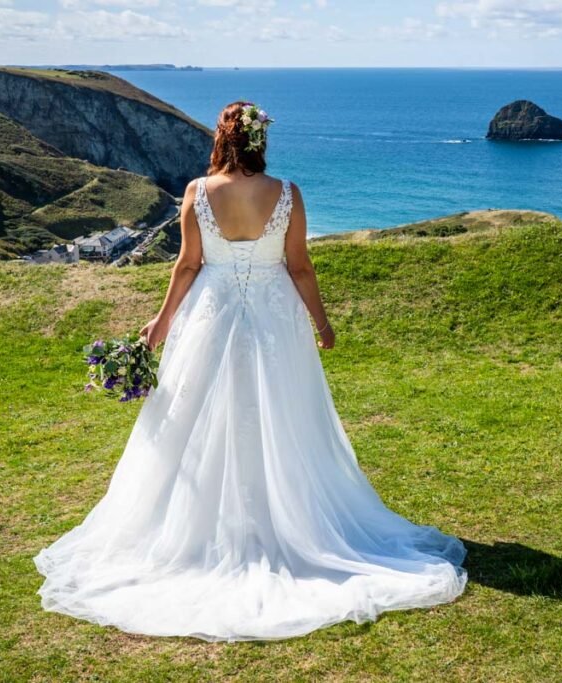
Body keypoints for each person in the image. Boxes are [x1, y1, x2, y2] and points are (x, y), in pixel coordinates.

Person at [33, 101, 467, 642]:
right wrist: (322, 323)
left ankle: (197, 533)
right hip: (274, 315)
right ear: (260, 141)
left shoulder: (196, 191)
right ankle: (285, 522)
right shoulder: (286, 194)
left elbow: (188, 264)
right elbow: (299, 265)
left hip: (207, 314)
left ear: (221, 138)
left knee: (191, 419)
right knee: (283, 411)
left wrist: (161, 323)